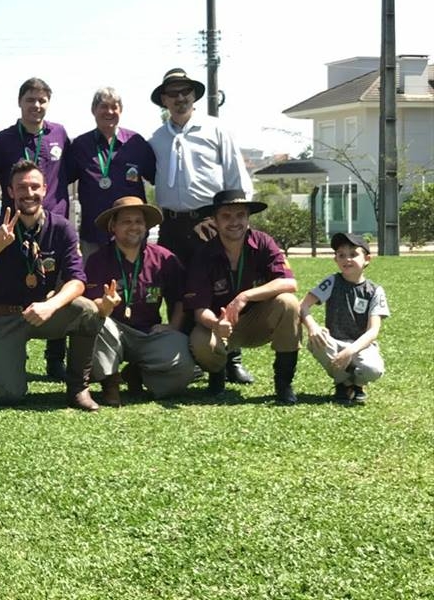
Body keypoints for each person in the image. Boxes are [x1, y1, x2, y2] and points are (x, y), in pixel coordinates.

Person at [148, 68, 256, 385]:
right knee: (177, 290)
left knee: (221, 288)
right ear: (164, 100)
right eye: (173, 93)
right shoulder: (156, 139)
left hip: (210, 222)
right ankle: (187, 358)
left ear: (194, 96)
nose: (180, 98)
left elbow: (236, 176)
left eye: (186, 92)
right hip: (171, 225)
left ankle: (230, 358)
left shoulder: (216, 129)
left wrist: (232, 218)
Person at [0, 160, 102, 410]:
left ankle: (78, 388)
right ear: (10, 191)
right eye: (21, 187)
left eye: (34, 187)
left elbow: (77, 280)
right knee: (9, 396)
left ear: (45, 189)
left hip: (44, 313)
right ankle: (5, 368)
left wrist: (51, 305)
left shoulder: (61, 227)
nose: (28, 193)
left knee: (88, 311)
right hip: (4, 316)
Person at [0, 77, 73, 381]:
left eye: (42, 100)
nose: (36, 105)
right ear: (19, 103)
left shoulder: (60, 134)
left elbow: (70, 175)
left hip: (53, 227)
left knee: (59, 286)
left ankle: (55, 358)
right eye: (30, 100)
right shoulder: (3, 140)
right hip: (15, 227)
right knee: (11, 286)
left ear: (49, 103)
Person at [184, 190, 302, 404]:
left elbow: (289, 283)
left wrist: (245, 296)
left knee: (289, 303)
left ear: (248, 218)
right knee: (200, 341)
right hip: (222, 324)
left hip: (259, 320)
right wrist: (216, 324)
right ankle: (217, 374)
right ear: (215, 221)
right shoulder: (203, 254)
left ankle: (284, 383)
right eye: (226, 216)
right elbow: (199, 308)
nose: (234, 222)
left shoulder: (264, 242)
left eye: (240, 215)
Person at [84, 197, 196, 405]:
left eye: (139, 221)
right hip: (112, 331)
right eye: (126, 221)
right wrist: (105, 305)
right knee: (98, 324)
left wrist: (172, 326)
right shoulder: (98, 260)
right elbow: (89, 306)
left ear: (146, 226)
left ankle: (137, 373)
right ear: (113, 227)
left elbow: (180, 298)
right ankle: (110, 383)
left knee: (184, 368)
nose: (134, 227)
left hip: (148, 334)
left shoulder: (164, 258)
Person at [299, 232, 388, 405]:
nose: (347, 259)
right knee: (316, 342)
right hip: (335, 343)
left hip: (360, 345)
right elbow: (303, 305)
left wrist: (350, 351)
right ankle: (346, 383)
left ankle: (356, 384)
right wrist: (313, 327)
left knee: (373, 370)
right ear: (336, 260)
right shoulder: (332, 282)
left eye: (353, 254)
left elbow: (373, 331)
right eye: (341, 255)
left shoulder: (375, 291)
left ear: (367, 259)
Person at [68, 87, 156, 259]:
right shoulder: (80, 145)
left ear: (121, 110)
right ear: (93, 110)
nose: (109, 111)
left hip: (133, 235)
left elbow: (156, 178)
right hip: (94, 236)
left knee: (134, 283)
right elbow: (62, 180)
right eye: (103, 106)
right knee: (94, 284)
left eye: (114, 107)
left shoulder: (136, 143)